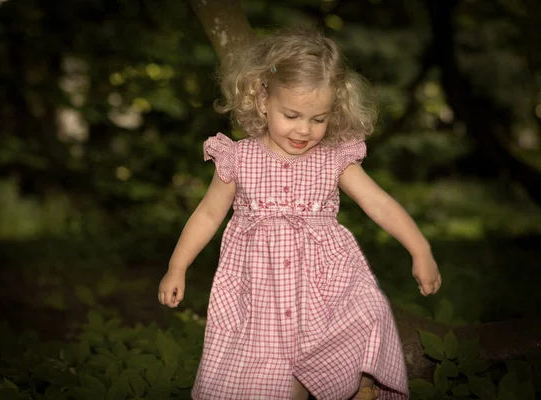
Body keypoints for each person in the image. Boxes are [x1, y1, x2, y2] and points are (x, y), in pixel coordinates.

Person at [158, 26, 441, 400]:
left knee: (364, 316)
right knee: (271, 375)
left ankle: (361, 386)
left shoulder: (334, 158)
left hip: (327, 284)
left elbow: (379, 203)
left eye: (318, 119)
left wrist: (420, 250)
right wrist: (177, 267)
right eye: (291, 115)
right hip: (261, 289)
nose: (304, 130)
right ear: (263, 101)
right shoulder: (238, 158)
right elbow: (208, 215)